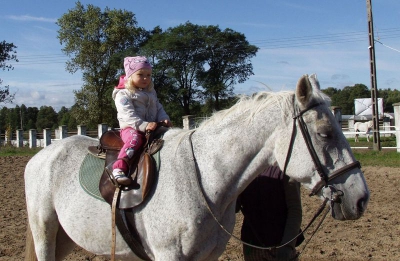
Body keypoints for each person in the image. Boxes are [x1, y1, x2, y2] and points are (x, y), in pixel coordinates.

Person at [111, 56, 172, 185]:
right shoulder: (123, 94)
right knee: (135, 140)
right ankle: (119, 168)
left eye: (149, 75)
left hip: (151, 127)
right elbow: (128, 115)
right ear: (130, 75)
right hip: (131, 128)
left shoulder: (151, 92)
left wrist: (164, 119)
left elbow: (158, 107)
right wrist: (143, 125)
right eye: (141, 74)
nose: (146, 78)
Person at [237, 165, 303, 261]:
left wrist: (288, 245)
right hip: (252, 247)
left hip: (280, 248)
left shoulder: (286, 170)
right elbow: (235, 207)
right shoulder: (246, 169)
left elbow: (294, 210)